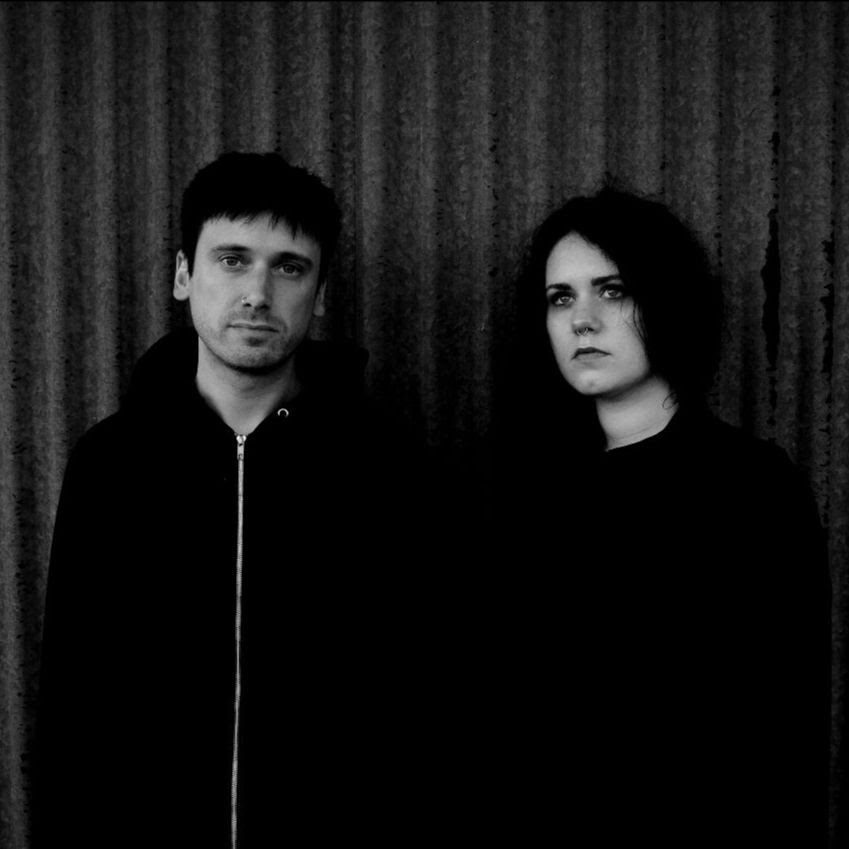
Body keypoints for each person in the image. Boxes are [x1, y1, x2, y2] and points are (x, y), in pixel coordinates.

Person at [33, 152, 432, 848]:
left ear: (320, 292)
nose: (257, 293)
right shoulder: (112, 463)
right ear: (183, 275)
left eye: (289, 267)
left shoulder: (386, 465)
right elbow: (74, 702)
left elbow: (422, 704)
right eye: (232, 260)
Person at [489, 187, 832, 847]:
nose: (581, 320)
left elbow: (786, 728)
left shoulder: (751, 489)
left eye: (612, 291)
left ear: (667, 300)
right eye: (560, 297)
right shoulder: (535, 492)